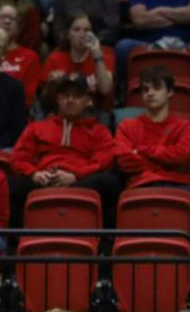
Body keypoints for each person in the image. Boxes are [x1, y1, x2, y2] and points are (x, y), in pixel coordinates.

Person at [8, 76, 120, 216]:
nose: (70, 100)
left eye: (76, 96)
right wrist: (34, 174)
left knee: (109, 182)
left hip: (81, 182)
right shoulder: (37, 127)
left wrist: (75, 175)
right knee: (8, 184)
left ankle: (106, 238)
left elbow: (104, 160)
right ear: (58, 99)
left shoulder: (99, 131)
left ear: (87, 101)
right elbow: (18, 158)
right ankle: (16, 237)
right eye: (66, 96)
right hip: (42, 180)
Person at [114, 67, 190, 188]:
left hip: (177, 184)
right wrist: (166, 164)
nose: (150, 93)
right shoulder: (126, 126)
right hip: (140, 185)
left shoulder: (185, 127)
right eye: (145, 89)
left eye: (157, 88)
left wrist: (142, 151)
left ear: (169, 91)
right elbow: (124, 162)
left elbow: (183, 157)